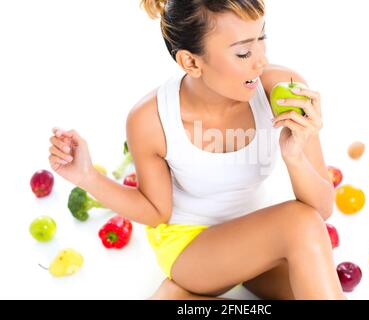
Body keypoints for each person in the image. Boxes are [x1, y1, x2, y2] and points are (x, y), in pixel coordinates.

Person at [48, 0, 345, 300]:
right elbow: (155, 211)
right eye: (243, 52)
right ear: (191, 62)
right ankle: (184, 288)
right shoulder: (151, 120)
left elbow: (320, 209)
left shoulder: (280, 87)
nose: (261, 61)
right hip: (190, 247)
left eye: (261, 39)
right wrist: (87, 176)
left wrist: (294, 155)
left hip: (255, 236)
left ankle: (177, 298)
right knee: (299, 224)